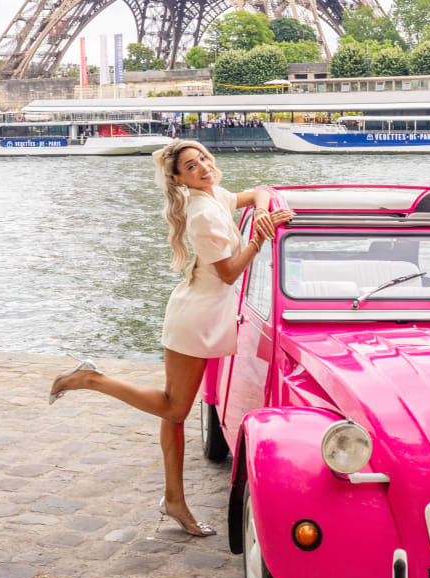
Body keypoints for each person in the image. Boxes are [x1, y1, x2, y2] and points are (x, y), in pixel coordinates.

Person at [48, 140, 293, 537]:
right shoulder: (200, 213)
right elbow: (229, 273)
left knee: (172, 413)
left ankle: (174, 500)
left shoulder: (215, 194)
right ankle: (91, 380)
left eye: (204, 159)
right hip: (195, 318)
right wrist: (259, 238)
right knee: (175, 409)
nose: (204, 167)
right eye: (193, 166)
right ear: (179, 178)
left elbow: (261, 191)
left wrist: (262, 213)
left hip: (205, 313)